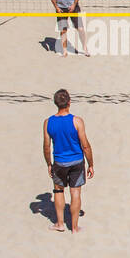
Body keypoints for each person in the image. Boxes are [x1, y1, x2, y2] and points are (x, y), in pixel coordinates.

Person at [42, 89, 94, 235]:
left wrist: (49, 164)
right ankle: (75, 227)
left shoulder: (48, 123)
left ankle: (60, 224)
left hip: (59, 161)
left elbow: (46, 146)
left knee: (58, 191)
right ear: (69, 102)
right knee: (75, 193)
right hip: (76, 161)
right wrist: (91, 164)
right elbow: (85, 145)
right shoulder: (77, 121)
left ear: (56, 103)